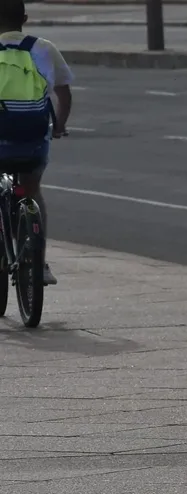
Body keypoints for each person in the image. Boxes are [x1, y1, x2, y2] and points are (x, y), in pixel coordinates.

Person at [0, 0, 73, 286]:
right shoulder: (43, 48)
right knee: (32, 189)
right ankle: (39, 264)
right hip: (32, 137)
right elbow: (64, 96)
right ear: (25, 19)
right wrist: (59, 127)